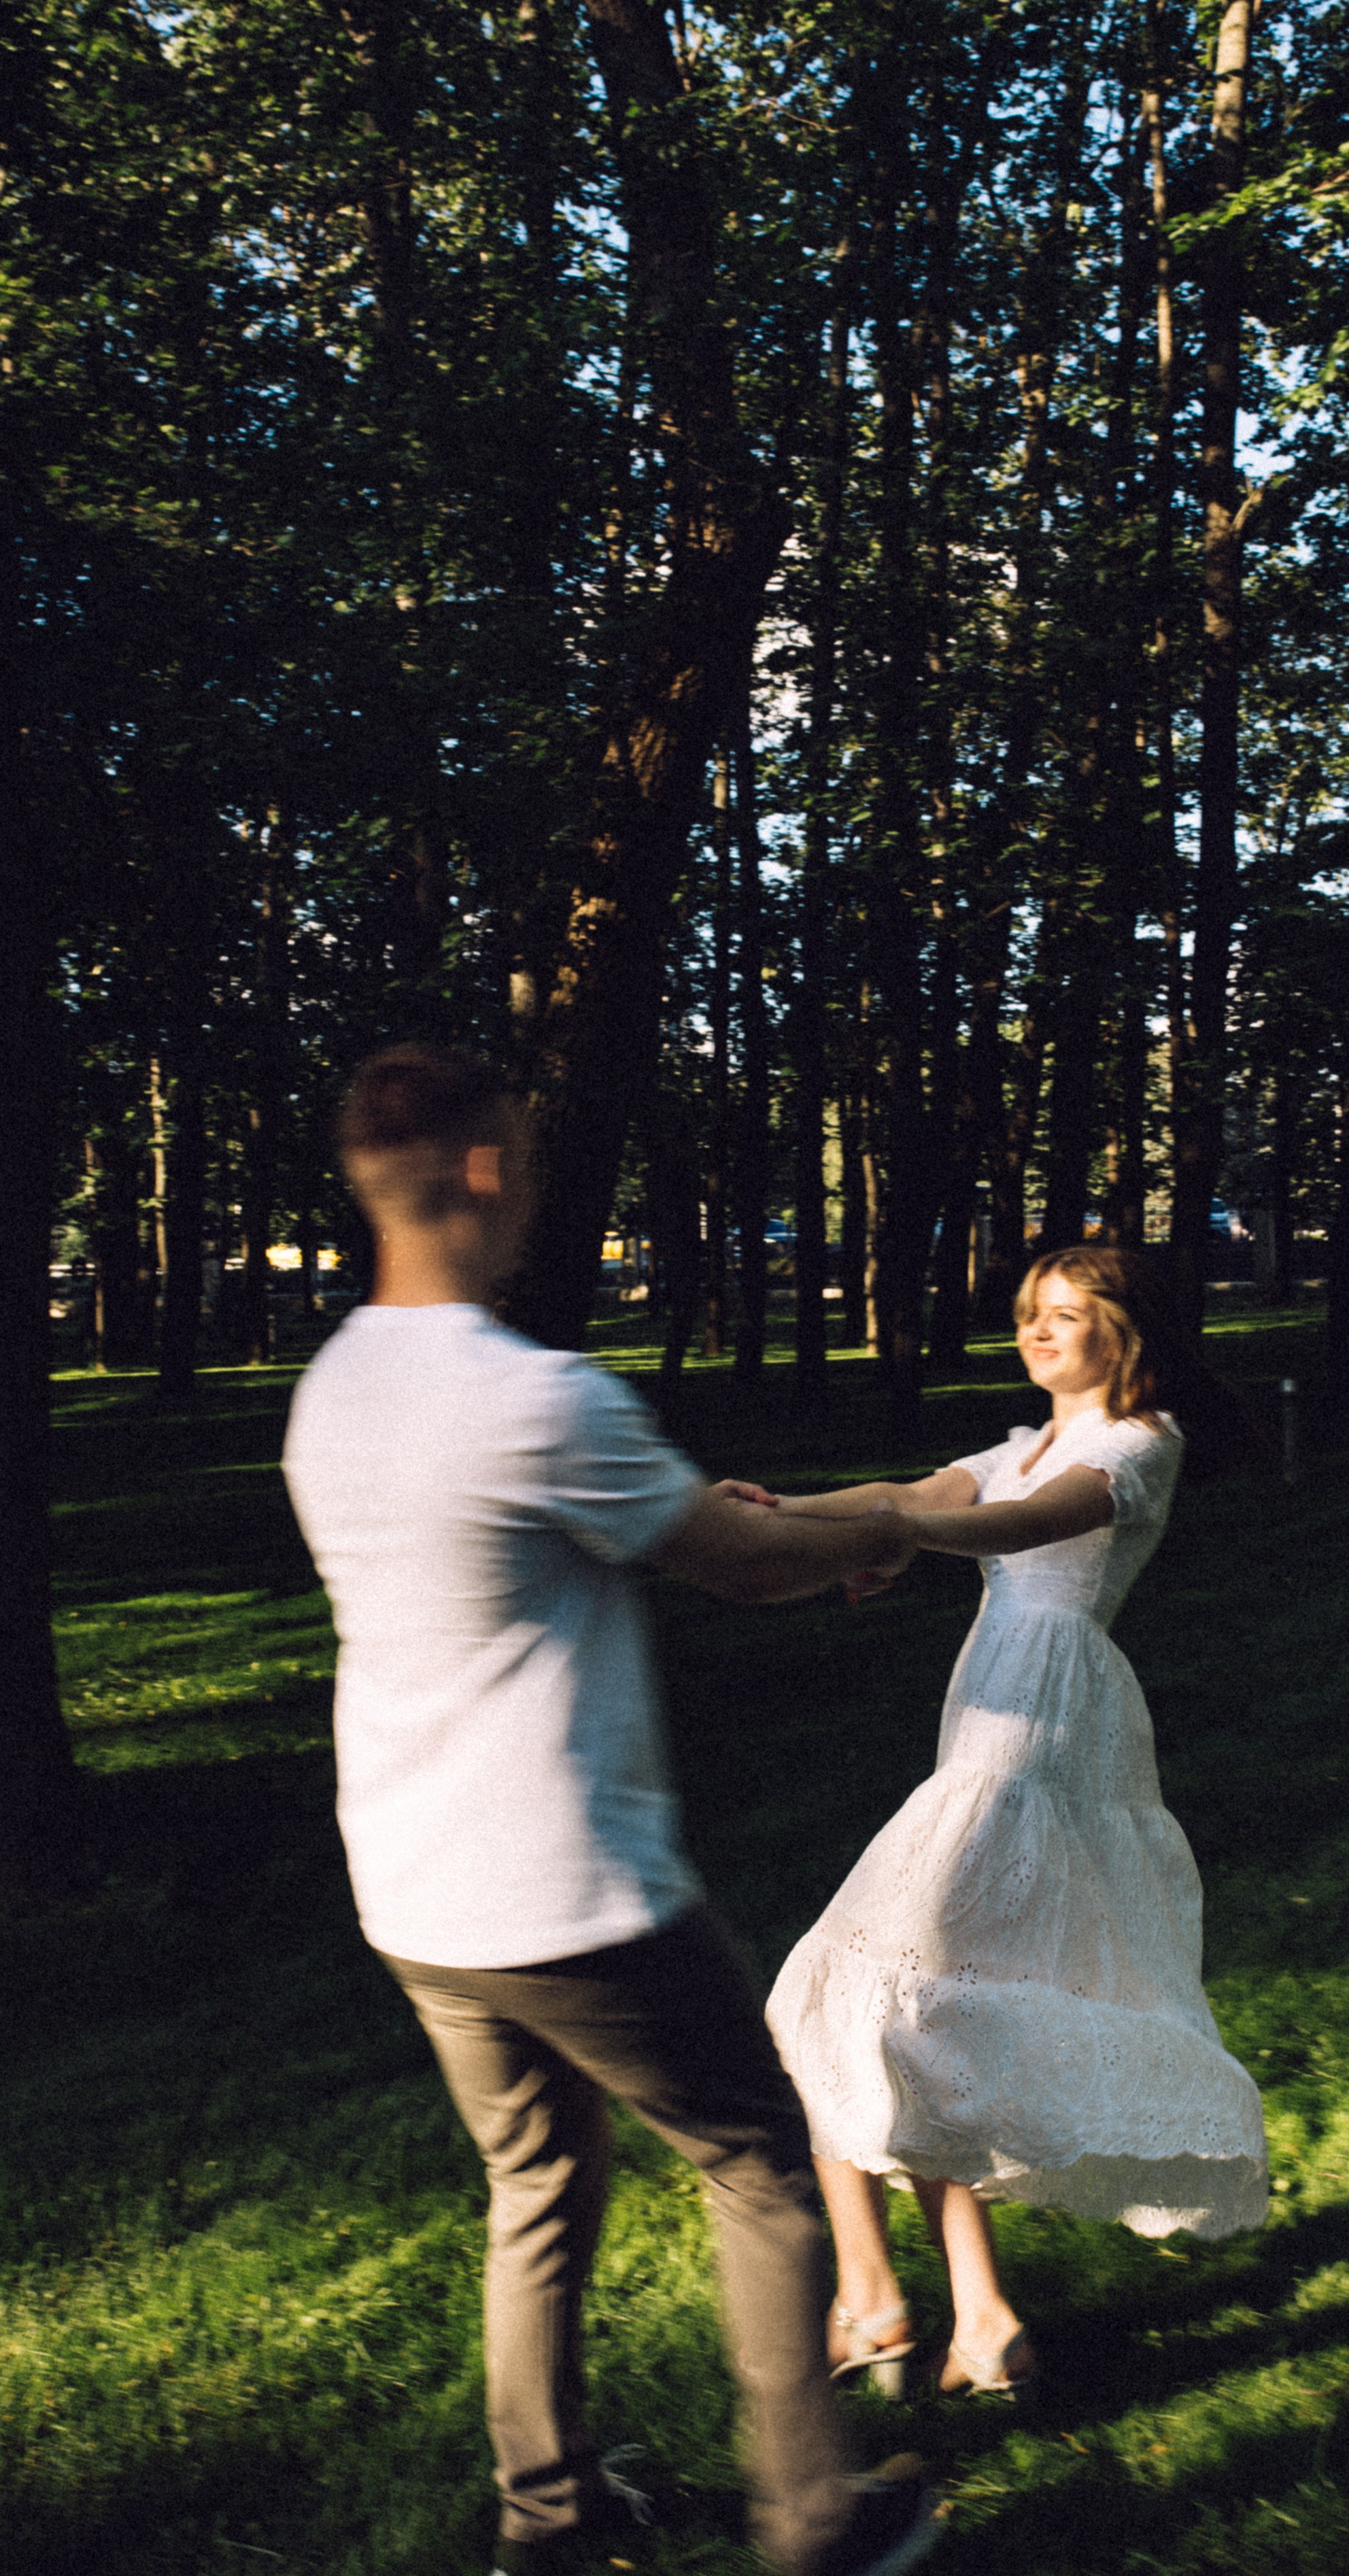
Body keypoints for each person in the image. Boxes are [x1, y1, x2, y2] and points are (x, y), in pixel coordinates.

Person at [281, 1044, 939, 2576]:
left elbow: (633, 1534)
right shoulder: (533, 1396)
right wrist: (888, 1521)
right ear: (486, 1169)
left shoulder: (332, 1390)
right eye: (521, 1154)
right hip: (569, 1893)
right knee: (763, 2164)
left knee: (535, 2188)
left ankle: (549, 2523)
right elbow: (739, 1562)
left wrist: (733, 1522)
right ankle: (816, 2523)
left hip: (414, 1892)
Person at [764, 1247, 1269, 2401]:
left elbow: (1020, 1530)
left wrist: (891, 1537)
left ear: (1122, 1333)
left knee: (846, 1993)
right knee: (907, 2013)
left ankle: (877, 2304)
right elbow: (915, 1496)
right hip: (992, 1713)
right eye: (1030, 1313)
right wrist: (778, 1511)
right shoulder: (1021, 1445)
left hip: (1041, 1728)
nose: (1037, 1331)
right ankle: (977, 2321)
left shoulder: (1136, 1444)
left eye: (1065, 1314)